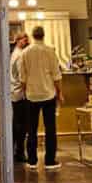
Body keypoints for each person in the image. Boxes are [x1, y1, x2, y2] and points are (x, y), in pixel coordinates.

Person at [19, 25, 63, 169]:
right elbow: (56, 75)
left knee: (31, 129)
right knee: (50, 129)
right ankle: (50, 160)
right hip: (48, 94)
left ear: (32, 36)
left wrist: (25, 91)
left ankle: (32, 160)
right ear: (44, 35)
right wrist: (60, 93)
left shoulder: (25, 52)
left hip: (31, 95)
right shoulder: (50, 51)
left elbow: (22, 77)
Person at [10, 33, 30, 163]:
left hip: (14, 92)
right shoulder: (20, 55)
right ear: (18, 41)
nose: (26, 42)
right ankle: (19, 152)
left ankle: (14, 150)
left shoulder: (15, 53)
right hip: (20, 93)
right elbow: (22, 76)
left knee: (16, 123)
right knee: (21, 125)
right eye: (24, 40)